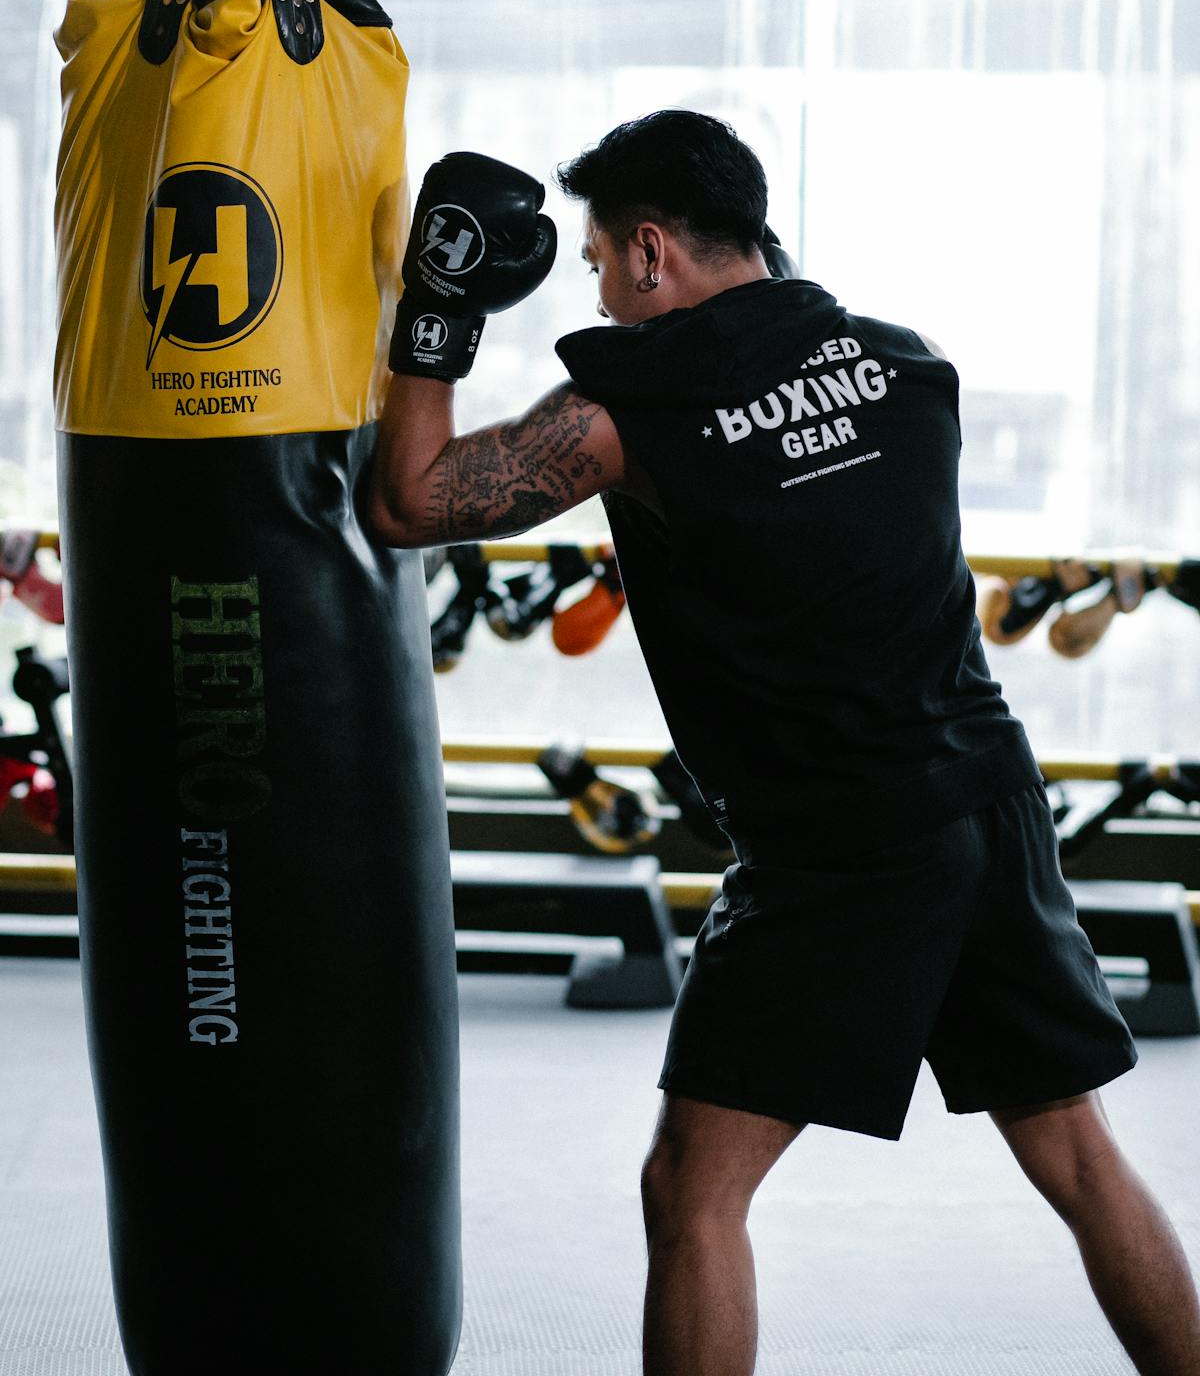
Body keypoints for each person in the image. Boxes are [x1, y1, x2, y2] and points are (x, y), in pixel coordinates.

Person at [367, 110, 1200, 1376]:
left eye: (597, 261)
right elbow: (792, 405)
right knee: (1080, 1158)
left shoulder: (638, 403)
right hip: (985, 799)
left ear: (652, 253)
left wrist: (436, 311)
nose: (595, 285)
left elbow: (407, 499)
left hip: (835, 852)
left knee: (690, 1191)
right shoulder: (908, 368)